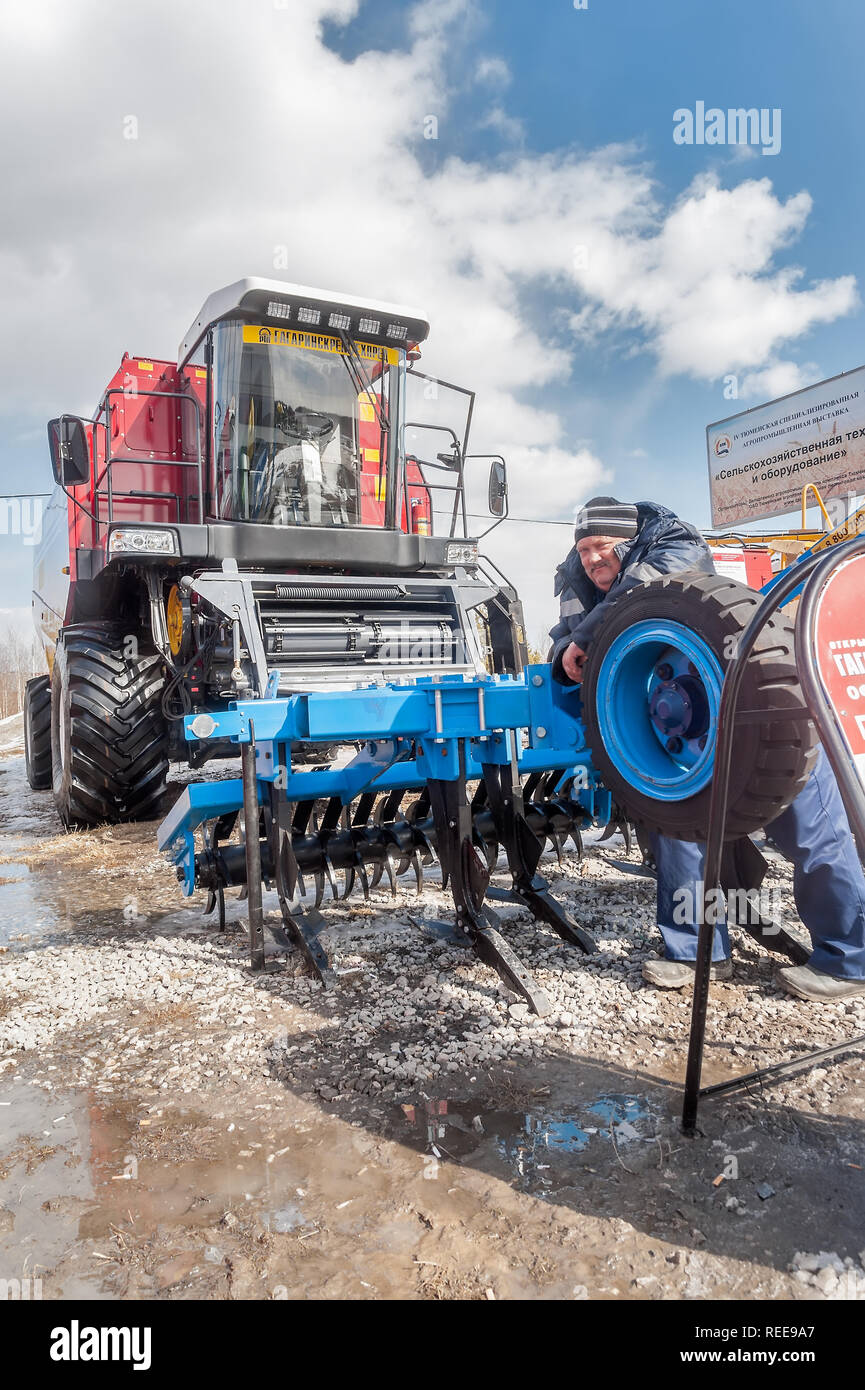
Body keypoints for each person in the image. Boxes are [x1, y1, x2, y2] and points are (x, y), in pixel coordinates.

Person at [549, 495, 865, 1001]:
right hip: (686, 738)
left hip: (770, 711)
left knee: (813, 835)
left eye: (601, 546)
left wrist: (582, 639)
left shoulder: (674, 545)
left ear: (627, 541)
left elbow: (639, 595)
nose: (591, 560)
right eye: (583, 550)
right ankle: (699, 954)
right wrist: (565, 655)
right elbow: (569, 643)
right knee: (680, 839)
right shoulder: (577, 584)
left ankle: (849, 960)